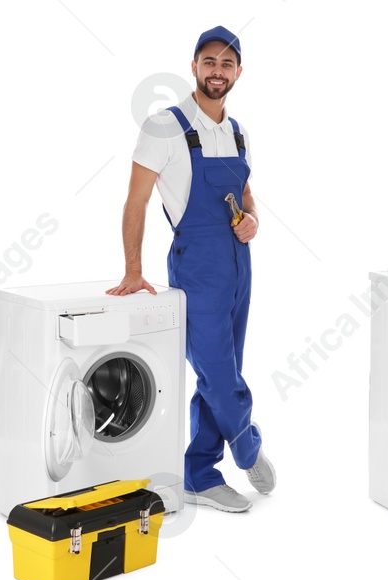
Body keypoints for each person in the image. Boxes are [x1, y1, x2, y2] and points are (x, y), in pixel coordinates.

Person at [107, 26, 275, 513]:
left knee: (223, 368)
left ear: (238, 72)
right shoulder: (165, 125)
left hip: (239, 260)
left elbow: (244, 192)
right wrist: (133, 270)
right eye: (209, 62)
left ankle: (199, 473)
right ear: (194, 66)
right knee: (217, 370)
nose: (217, 71)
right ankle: (247, 443)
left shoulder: (237, 130)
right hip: (197, 262)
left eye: (226, 64)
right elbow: (135, 201)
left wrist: (253, 220)